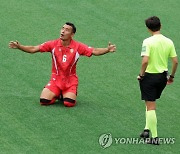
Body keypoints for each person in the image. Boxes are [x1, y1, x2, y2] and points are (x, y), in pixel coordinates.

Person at [9, 22, 116, 107]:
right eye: (62, 28)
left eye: (67, 30)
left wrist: (107, 49)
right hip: (55, 80)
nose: (63, 31)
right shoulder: (52, 44)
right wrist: (20, 47)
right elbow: (33, 49)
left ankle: (64, 94)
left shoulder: (78, 46)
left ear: (72, 34)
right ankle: (58, 93)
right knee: (44, 101)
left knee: (68, 103)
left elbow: (94, 51)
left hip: (70, 82)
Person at [137, 16, 178, 145]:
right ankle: (146, 130)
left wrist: (141, 75)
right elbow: (175, 61)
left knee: (150, 106)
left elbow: (145, 61)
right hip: (162, 77)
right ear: (160, 26)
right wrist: (171, 76)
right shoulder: (169, 41)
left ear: (148, 29)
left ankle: (154, 138)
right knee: (149, 102)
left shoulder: (147, 42)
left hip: (149, 76)